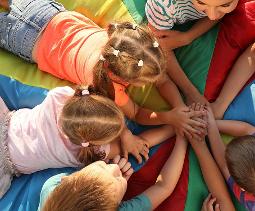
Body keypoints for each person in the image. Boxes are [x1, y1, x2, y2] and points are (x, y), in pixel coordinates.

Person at [0, 0, 206, 139]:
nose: (158, 79)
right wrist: (168, 117)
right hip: (27, 41)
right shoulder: (109, 86)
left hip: (46, 13)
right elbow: (136, 113)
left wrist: (179, 108)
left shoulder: (119, 39)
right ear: (124, 79)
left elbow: (163, 81)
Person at [0, 85, 175, 199]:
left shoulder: (61, 95)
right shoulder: (79, 153)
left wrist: (125, 134)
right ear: (88, 141)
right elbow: (142, 142)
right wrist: (174, 128)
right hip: (5, 162)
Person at [39, 135, 188, 211]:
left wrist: (116, 183)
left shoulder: (53, 186)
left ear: (68, 179)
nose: (114, 168)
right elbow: (164, 187)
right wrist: (183, 138)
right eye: (117, 178)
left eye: (103, 167)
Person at [145, 0, 239, 104]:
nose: (212, 16)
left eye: (225, 5)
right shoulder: (162, 5)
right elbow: (160, 45)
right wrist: (190, 92)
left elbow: (214, 17)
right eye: (201, 2)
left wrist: (188, 37)